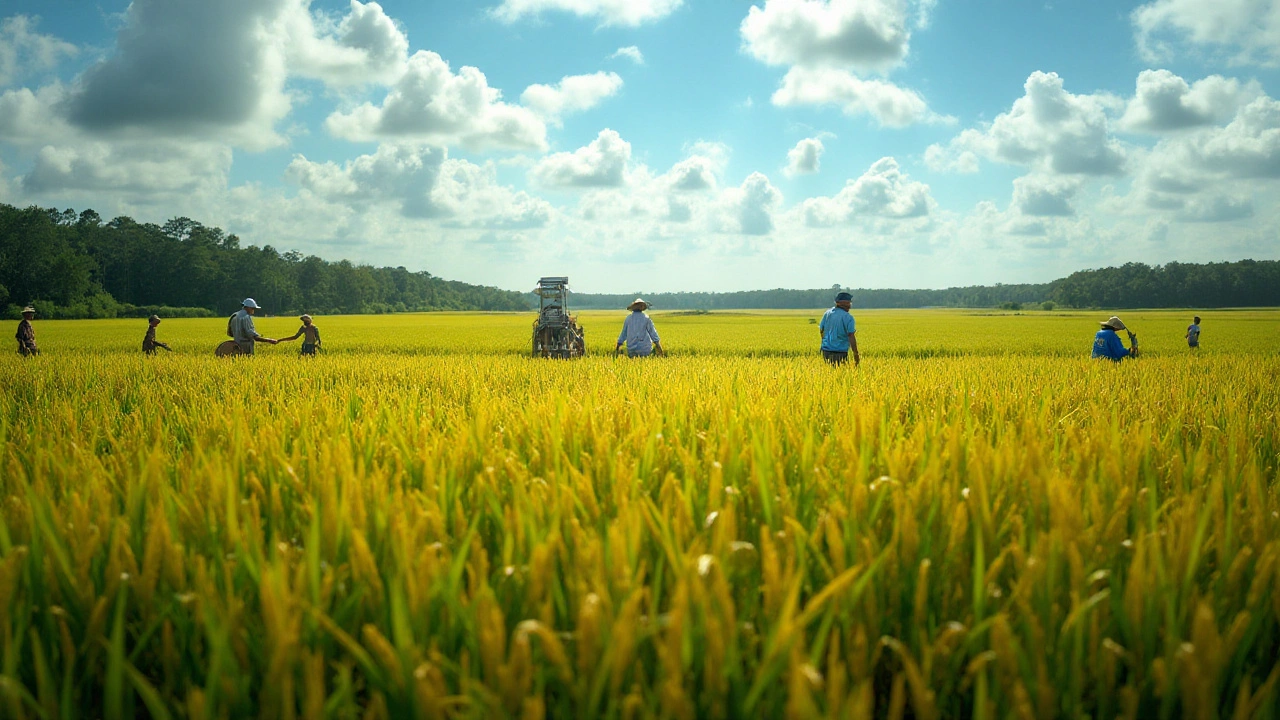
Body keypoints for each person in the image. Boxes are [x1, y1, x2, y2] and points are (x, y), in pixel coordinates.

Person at [819, 292, 859, 366]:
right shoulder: (848, 317)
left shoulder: (827, 313)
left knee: (828, 373)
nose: (850, 305)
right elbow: (851, 336)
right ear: (843, 303)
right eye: (849, 303)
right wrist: (855, 354)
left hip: (826, 351)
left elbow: (821, 330)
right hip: (840, 352)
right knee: (840, 373)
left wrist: (826, 342)